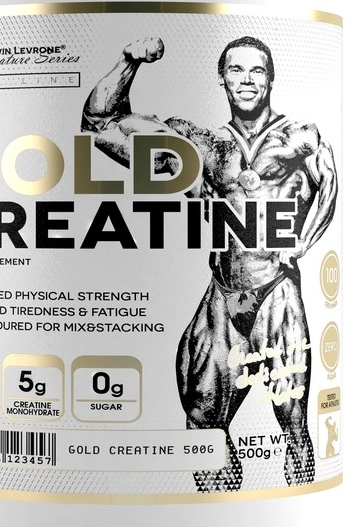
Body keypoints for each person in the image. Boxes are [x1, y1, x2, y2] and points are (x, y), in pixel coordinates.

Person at [81, 36, 338, 490]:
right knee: (201, 423)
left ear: (271, 78)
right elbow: (100, 125)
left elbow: (330, 186)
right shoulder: (201, 146)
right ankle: (219, 506)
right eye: (236, 70)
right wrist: (128, 61)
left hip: (276, 289)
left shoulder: (299, 137)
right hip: (222, 291)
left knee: (295, 423)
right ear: (221, 79)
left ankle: (301, 498)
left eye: (257, 70)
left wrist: (301, 242)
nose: (247, 80)